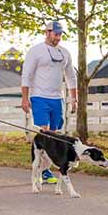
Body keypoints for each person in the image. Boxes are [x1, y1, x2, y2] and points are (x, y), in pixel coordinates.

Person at [21, 21, 78, 184]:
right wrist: (25, 97)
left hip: (57, 99)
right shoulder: (36, 51)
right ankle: (43, 171)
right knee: (44, 132)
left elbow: (70, 76)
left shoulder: (65, 53)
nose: (58, 37)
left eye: (60, 34)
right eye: (55, 34)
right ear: (47, 32)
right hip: (39, 97)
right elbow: (26, 75)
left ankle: (44, 168)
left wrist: (74, 98)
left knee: (55, 135)